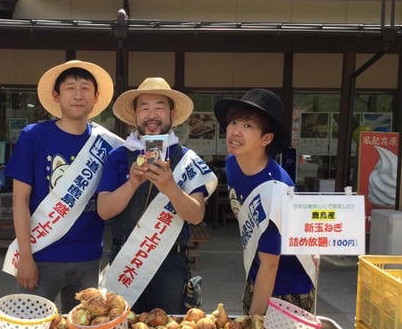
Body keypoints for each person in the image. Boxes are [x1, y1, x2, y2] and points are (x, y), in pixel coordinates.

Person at [2, 60, 122, 313]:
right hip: (41, 255)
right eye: (70, 88)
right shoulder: (33, 136)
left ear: (96, 96)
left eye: (85, 88)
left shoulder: (106, 144)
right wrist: (25, 257)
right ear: (56, 95)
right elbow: (19, 200)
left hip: (88, 257)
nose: (78, 95)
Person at [97, 77, 217, 313]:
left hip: (171, 267)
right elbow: (104, 210)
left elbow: (196, 215)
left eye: (160, 107)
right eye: (144, 107)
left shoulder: (186, 159)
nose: (152, 115)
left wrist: (171, 187)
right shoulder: (119, 156)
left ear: (172, 113)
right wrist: (132, 183)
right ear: (135, 115)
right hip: (126, 262)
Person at [213, 89, 317, 315]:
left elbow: (271, 264)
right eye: (233, 122)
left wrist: (254, 320)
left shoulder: (276, 192)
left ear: (266, 139)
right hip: (256, 274)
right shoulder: (233, 163)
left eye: (247, 126)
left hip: (289, 288)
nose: (235, 131)